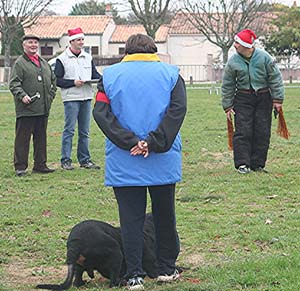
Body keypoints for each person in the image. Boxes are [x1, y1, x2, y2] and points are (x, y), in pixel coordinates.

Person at [93, 34, 187, 290]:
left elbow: (101, 113)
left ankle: (134, 273)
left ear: (126, 50)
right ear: (153, 49)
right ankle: (166, 268)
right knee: (164, 215)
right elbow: (177, 111)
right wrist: (154, 142)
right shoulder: (171, 74)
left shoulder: (109, 76)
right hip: (162, 158)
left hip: (125, 159)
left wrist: (130, 141)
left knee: (131, 218)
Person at [221, 29, 284, 174]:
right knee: (243, 131)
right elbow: (228, 84)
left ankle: (258, 164)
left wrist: (278, 99)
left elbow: (275, 78)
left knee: (262, 131)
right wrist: (227, 105)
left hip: (263, 97)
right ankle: (242, 164)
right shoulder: (233, 61)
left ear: (246, 45)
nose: (235, 45)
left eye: (237, 42)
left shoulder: (264, 57)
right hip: (243, 98)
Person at [9, 34, 57, 177]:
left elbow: (53, 81)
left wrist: (50, 96)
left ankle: (40, 165)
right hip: (26, 109)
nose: (33, 45)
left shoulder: (43, 62)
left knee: (41, 138)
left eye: (35, 42)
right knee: (22, 139)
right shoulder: (20, 63)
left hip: (43, 108)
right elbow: (14, 83)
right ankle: (20, 166)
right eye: (30, 42)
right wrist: (22, 95)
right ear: (24, 45)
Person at [54, 27, 101, 170]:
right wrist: (73, 83)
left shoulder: (88, 57)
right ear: (71, 41)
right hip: (71, 98)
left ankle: (85, 160)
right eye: (78, 40)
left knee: (84, 131)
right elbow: (57, 80)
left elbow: (94, 74)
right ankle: (66, 160)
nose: (81, 42)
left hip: (86, 96)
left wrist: (103, 79)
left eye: (82, 39)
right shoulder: (62, 59)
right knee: (69, 130)